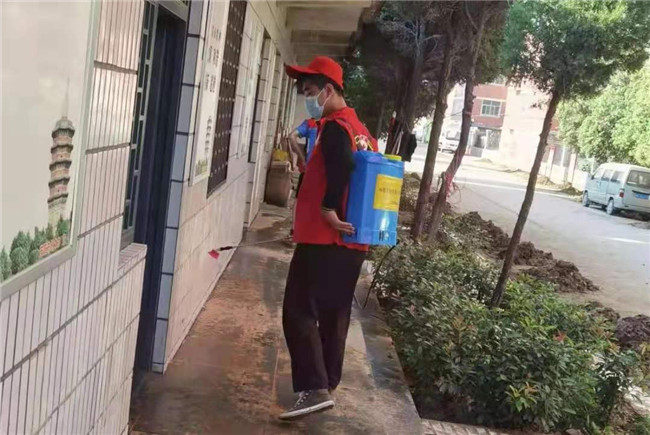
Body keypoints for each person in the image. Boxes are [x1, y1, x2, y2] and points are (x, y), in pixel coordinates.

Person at [279, 56, 377, 420]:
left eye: (310, 91)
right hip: (351, 243)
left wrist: (327, 209)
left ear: (329, 90)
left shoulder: (336, 127)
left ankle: (314, 388)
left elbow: (344, 167)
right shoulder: (361, 130)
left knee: (298, 310)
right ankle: (326, 384)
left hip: (326, 239)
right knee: (334, 313)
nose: (308, 98)